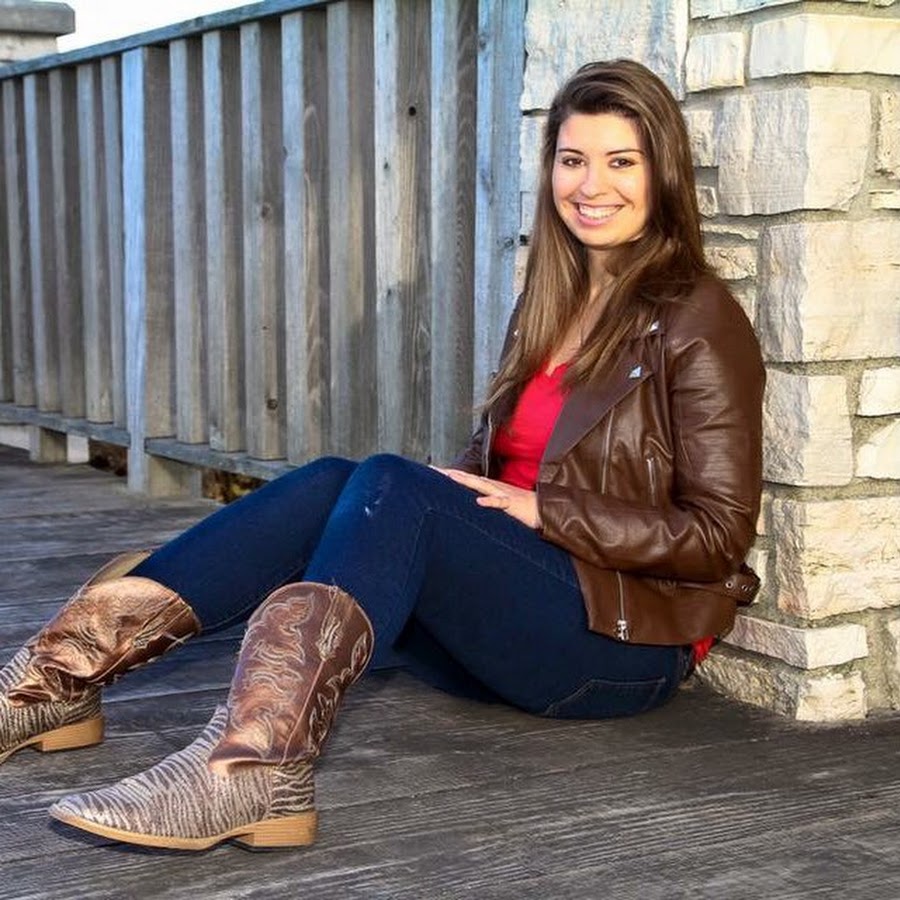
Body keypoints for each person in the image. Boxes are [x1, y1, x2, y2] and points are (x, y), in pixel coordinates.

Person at [0, 58, 764, 852]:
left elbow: (717, 536)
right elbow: (493, 469)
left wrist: (547, 511)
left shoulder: (698, 319)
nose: (591, 185)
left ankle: (252, 771)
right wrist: (442, 502)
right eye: (573, 160)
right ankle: (49, 684)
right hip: (513, 612)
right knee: (340, 480)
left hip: (616, 642)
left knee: (392, 485)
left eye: (621, 161)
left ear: (661, 174)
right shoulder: (553, 301)